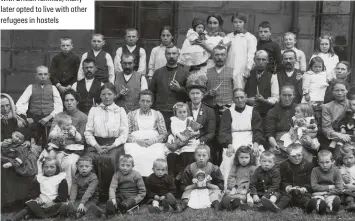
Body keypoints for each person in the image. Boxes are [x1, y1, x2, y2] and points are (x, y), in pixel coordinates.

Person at [84, 83, 128, 200]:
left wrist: (112, 146)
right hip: (97, 144)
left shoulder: (120, 110)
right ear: (100, 95)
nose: (106, 97)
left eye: (109, 94)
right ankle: (93, 195)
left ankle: (110, 194)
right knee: (89, 158)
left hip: (114, 144)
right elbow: (88, 132)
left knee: (110, 159)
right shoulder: (94, 110)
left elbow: (124, 134)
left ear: (114, 95)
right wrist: (96, 146)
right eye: (103, 94)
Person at [166, 82, 216, 179]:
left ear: (202, 95)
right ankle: (173, 182)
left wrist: (199, 141)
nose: (195, 96)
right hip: (180, 139)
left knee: (190, 154)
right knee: (171, 155)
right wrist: (172, 136)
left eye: (198, 93)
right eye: (192, 93)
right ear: (189, 95)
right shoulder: (182, 108)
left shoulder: (209, 111)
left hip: (199, 141)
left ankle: (187, 178)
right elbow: (174, 124)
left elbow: (211, 132)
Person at [219, 89, 265, 188]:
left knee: (258, 153)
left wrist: (256, 143)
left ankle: (259, 187)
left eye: (242, 97)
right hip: (233, 138)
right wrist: (229, 145)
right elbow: (224, 131)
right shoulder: (228, 112)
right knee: (229, 156)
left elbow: (258, 129)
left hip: (250, 137)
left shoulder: (253, 111)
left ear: (246, 97)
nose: (240, 100)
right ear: (233, 99)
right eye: (237, 98)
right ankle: (228, 188)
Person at [16, 65, 63, 148]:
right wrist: (25, 117)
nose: (43, 76)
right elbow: (20, 104)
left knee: (49, 143)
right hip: (34, 119)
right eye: (40, 74)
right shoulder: (30, 87)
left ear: (48, 75)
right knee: (33, 143)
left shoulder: (53, 88)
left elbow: (59, 106)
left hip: (50, 119)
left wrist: (49, 117)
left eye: (45, 74)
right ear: (36, 75)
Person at [1, 93, 35, 208]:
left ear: (11, 104)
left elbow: (28, 135)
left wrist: (27, 141)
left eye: (7, 105)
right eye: (1, 106)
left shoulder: (19, 118)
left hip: (19, 148)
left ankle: (23, 199)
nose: (5, 109)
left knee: (27, 159)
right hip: (3, 150)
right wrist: (1, 143)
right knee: (4, 162)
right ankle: (7, 202)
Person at [124, 90, 167, 177]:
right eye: (142, 100)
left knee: (158, 153)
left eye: (148, 101)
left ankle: (155, 180)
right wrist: (137, 141)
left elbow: (164, 134)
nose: (145, 103)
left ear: (151, 103)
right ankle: (136, 179)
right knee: (134, 154)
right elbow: (125, 134)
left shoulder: (157, 114)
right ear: (139, 101)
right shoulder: (131, 114)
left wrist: (153, 141)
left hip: (154, 143)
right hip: (136, 142)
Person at [149, 44, 189, 130]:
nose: (171, 56)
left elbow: (190, 95)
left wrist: (180, 89)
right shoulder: (158, 73)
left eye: (174, 53)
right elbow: (151, 93)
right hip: (160, 113)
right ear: (165, 55)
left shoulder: (185, 73)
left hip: (178, 114)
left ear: (178, 55)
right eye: (169, 53)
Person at [180, 145, 224, 211]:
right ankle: (184, 204)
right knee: (186, 195)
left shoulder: (214, 168)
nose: (201, 158)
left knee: (215, 194)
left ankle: (216, 204)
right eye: (199, 155)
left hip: (209, 190)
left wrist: (208, 184)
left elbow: (219, 187)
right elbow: (184, 187)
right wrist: (194, 185)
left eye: (204, 155)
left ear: (208, 157)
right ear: (195, 156)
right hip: (194, 190)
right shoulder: (190, 168)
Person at [276, 144, 315, 213]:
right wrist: (287, 187)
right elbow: (282, 180)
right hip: (289, 192)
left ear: (302, 154)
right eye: (293, 156)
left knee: (306, 198)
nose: (297, 158)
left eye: (299, 155)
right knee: (285, 198)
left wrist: (305, 188)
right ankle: (277, 208)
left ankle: (309, 207)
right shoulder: (284, 165)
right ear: (288, 156)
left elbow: (311, 181)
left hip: (302, 192)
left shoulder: (308, 165)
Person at [245, 50, 279, 125]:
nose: (260, 62)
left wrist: (264, 101)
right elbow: (240, 94)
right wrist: (247, 100)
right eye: (258, 59)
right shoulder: (247, 75)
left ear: (267, 61)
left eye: (263, 60)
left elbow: (276, 98)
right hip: (248, 114)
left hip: (265, 115)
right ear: (254, 60)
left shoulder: (272, 77)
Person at [265, 85, 297, 164]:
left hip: (297, 139)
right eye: (284, 95)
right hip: (279, 141)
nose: (287, 98)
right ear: (280, 95)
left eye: (289, 95)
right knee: (274, 161)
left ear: (294, 96)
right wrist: (275, 145)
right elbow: (270, 134)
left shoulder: (298, 108)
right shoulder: (272, 111)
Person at [224, 12, 257, 88]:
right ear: (232, 23)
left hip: (242, 68)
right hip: (229, 66)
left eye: (240, 22)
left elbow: (251, 55)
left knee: (239, 90)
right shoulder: (229, 36)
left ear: (244, 22)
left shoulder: (250, 37)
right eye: (235, 22)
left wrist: (248, 69)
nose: (238, 24)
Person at [220, 146, 257, 211]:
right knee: (227, 193)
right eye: (241, 158)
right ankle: (230, 202)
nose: (244, 160)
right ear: (237, 158)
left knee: (245, 196)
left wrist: (246, 189)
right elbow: (231, 177)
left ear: (250, 158)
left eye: (246, 157)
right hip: (235, 188)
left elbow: (253, 181)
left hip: (245, 189)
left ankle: (237, 203)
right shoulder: (235, 166)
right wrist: (233, 187)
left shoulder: (252, 168)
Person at [205, 46, 236, 119]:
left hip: (227, 108)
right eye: (217, 55)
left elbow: (237, 92)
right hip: (211, 109)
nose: (220, 57)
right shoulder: (206, 72)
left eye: (222, 54)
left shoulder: (233, 71)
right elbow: (202, 92)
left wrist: (232, 108)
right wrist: (208, 94)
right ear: (213, 56)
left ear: (226, 56)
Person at [309, 150, 343, 214]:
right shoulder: (315, 170)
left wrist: (325, 193)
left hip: (331, 194)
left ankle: (332, 208)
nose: (324, 165)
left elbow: (340, 188)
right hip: (318, 194)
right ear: (318, 162)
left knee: (333, 199)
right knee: (318, 200)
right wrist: (329, 187)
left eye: (327, 162)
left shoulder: (336, 171)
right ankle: (320, 208)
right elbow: (314, 186)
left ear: (332, 161)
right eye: (321, 162)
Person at [322, 80, 350, 150]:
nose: (340, 93)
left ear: (347, 90)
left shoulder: (352, 103)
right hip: (336, 137)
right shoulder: (327, 107)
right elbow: (326, 128)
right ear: (332, 92)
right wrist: (338, 135)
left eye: (343, 90)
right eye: (336, 90)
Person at [339, 145, 355, 211]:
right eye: (345, 158)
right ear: (341, 159)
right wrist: (343, 181)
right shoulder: (341, 169)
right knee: (348, 197)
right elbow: (339, 182)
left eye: (351, 157)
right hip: (347, 191)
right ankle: (351, 204)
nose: (348, 160)